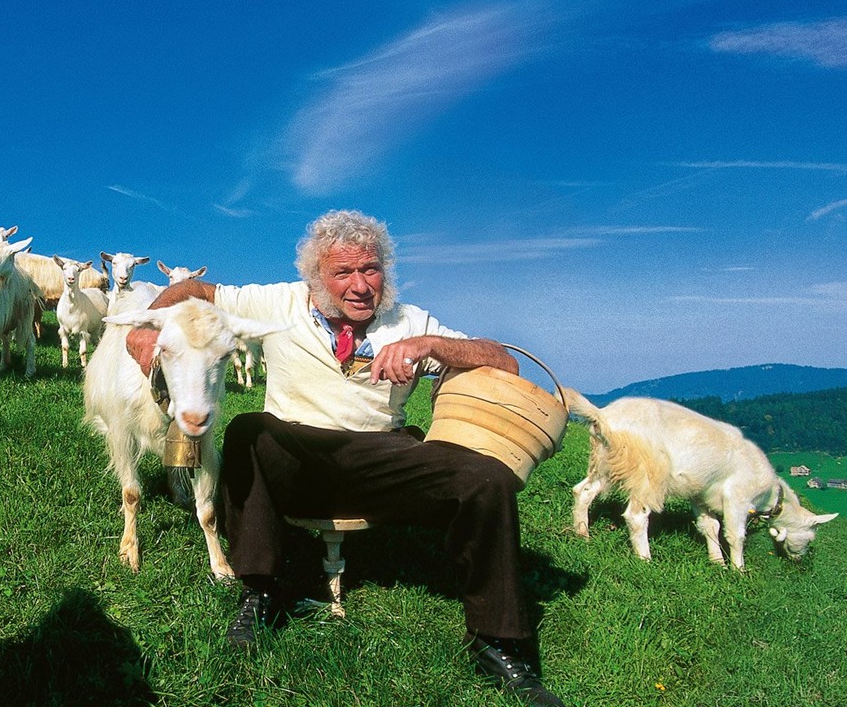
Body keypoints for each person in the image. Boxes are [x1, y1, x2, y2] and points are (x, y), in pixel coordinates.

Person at [125, 210, 565, 707]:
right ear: (316, 277)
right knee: (250, 430)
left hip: (383, 457)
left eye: (370, 270)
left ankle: (498, 643)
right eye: (343, 273)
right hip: (296, 453)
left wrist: (429, 345)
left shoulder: (409, 320)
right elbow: (198, 293)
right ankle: (262, 591)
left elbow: (502, 360)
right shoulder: (279, 302)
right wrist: (146, 324)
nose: (360, 285)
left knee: (487, 477)